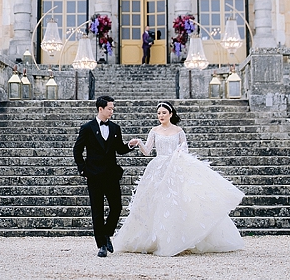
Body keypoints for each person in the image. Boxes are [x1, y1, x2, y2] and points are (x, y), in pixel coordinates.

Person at [111, 101, 244, 256]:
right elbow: (147, 151)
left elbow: (184, 150)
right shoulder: (154, 130)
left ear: (171, 114)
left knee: (176, 202)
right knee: (156, 203)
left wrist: (179, 153)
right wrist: (139, 143)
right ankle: (157, 239)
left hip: (174, 169)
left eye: (164, 113)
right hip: (158, 169)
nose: (161, 116)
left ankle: (178, 240)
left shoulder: (178, 130)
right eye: (159, 113)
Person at [73, 95, 136, 257]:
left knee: (117, 208)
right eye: (110, 108)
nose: (112, 111)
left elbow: (120, 149)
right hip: (94, 175)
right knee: (97, 211)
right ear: (100, 109)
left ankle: (107, 234)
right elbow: (77, 150)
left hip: (111, 175)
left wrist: (130, 145)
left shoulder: (115, 128)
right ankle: (101, 245)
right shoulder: (87, 128)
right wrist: (83, 170)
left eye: (113, 109)